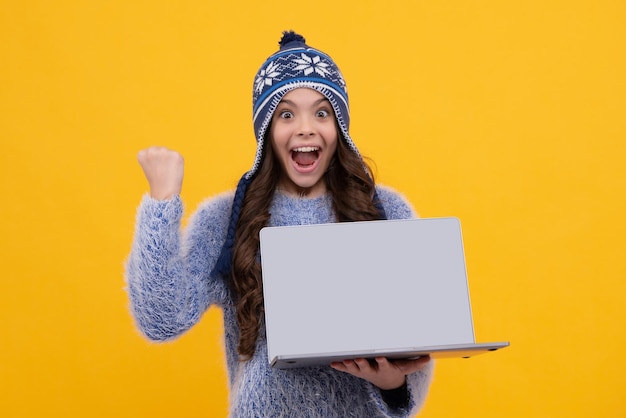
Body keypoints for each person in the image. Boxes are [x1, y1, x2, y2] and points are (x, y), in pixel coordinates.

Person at [126, 31, 434, 417]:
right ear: (267, 132)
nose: (305, 128)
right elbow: (161, 319)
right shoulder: (228, 219)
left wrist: (392, 384)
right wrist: (161, 202)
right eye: (286, 113)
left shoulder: (386, 210)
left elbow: (419, 347)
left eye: (322, 112)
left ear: (339, 127)